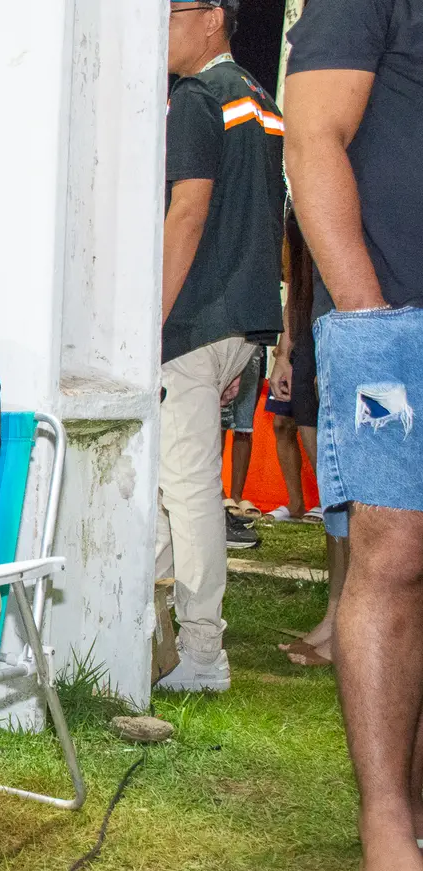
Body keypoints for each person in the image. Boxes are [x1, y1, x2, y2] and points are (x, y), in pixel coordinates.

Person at [285, 0, 423, 871]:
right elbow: (312, 140)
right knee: (395, 551)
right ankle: (387, 825)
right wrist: (370, 322)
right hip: (396, 320)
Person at [157, 0, 284, 693]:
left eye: (171, 13)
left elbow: (189, 211)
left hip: (196, 317)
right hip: (241, 319)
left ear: (211, 18)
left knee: (187, 489)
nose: (161, 28)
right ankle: (155, 633)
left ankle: (202, 650)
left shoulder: (198, 96)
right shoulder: (259, 96)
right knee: (174, 482)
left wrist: (152, 320)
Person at [270, 211, 347, 668]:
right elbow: (299, 280)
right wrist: (285, 352)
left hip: (345, 337)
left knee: (352, 504)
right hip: (313, 340)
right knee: (335, 502)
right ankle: (335, 616)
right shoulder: (302, 195)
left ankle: (348, 625)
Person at [220, 348, 264, 549]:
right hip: (221, 343)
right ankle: (220, 494)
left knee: (245, 425)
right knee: (219, 420)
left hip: (253, 346)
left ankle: (237, 495)